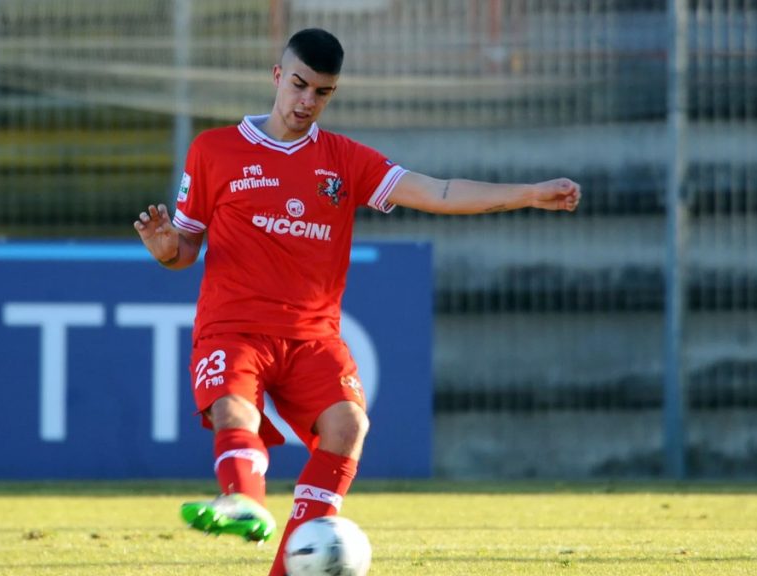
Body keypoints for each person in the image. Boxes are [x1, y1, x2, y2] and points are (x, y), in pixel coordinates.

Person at [134, 27, 580, 576]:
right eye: (299, 85)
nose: (307, 101)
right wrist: (165, 250)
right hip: (234, 328)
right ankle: (243, 501)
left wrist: (529, 194)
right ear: (278, 76)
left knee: (348, 425)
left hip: (312, 338)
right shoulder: (214, 150)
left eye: (322, 92)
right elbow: (185, 250)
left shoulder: (343, 161)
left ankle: (290, 566)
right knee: (233, 409)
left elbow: (435, 192)